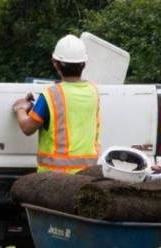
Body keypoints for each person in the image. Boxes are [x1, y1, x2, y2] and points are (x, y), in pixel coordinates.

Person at [13, 34, 100, 174]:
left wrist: (20, 109)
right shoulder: (93, 92)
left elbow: (27, 128)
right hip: (86, 176)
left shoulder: (51, 95)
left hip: (53, 180)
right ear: (84, 63)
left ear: (55, 63)